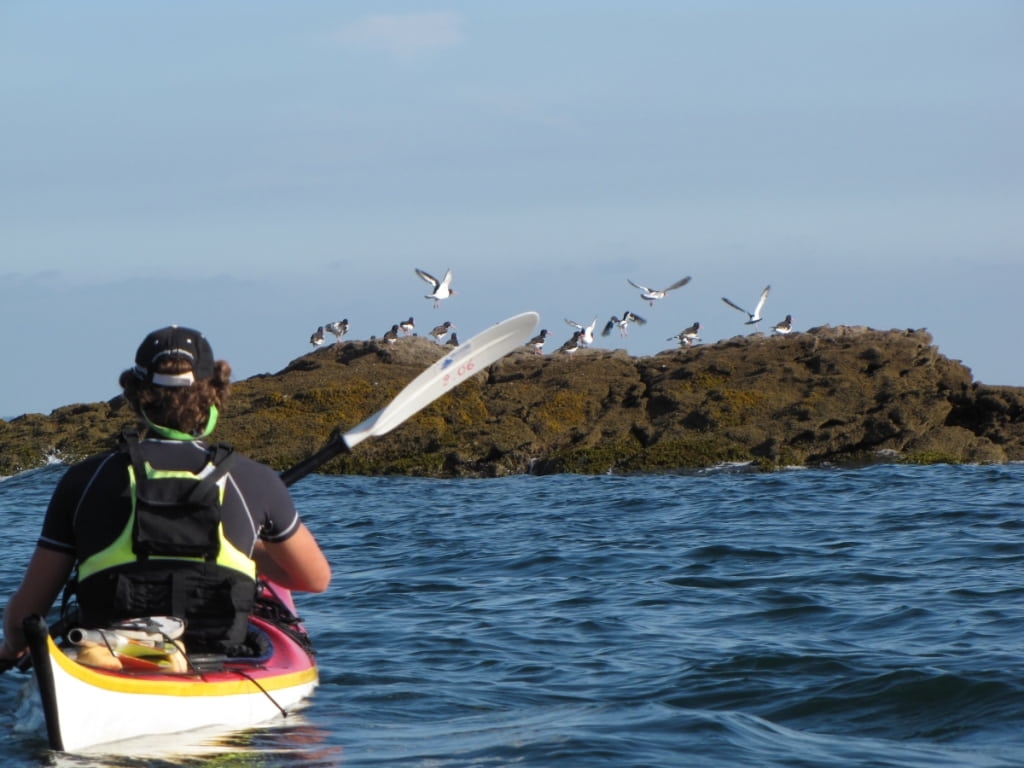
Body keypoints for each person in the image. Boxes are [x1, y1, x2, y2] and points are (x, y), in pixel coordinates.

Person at [0, 326, 331, 668]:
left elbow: (23, 619)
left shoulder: (85, 479)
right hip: (217, 658)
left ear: (134, 392)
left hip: (105, 660)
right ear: (214, 393)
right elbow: (314, 578)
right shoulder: (254, 479)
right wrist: (249, 550)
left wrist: (12, 647)